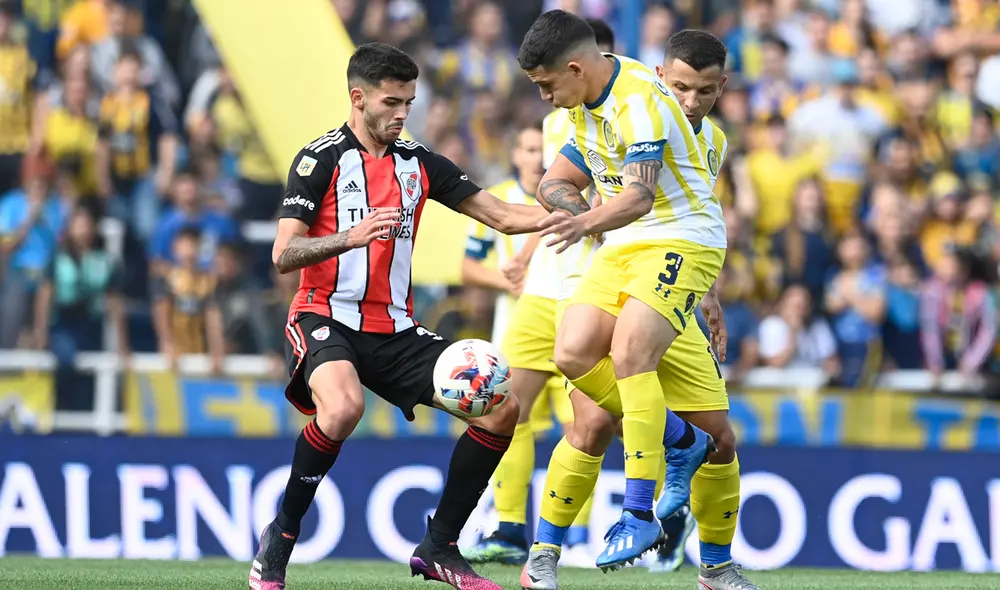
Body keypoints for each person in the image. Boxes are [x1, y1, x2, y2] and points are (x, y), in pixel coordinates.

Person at [249, 42, 551, 590]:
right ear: (358, 98)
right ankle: (282, 534)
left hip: (394, 327)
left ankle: (440, 546)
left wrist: (584, 212)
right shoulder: (319, 160)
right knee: (342, 409)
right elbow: (281, 255)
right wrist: (349, 237)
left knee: (503, 409)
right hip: (325, 314)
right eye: (391, 102)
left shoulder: (419, 163)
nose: (401, 114)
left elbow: (503, 216)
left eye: (409, 102)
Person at [518, 14, 758, 590]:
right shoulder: (585, 104)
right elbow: (554, 182)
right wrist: (582, 212)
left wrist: (708, 294)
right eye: (681, 87)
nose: (690, 102)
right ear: (661, 75)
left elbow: (649, 199)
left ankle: (703, 557)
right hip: (627, 254)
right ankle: (548, 554)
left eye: (703, 90)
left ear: (721, 89)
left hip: (675, 255)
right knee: (577, 367)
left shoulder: (653, 112)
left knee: (716, 435)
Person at [463, 19, 616, 569]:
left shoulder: (630, 112)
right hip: (543, 291)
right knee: (503, 406)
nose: (549, 93)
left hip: (593, 289)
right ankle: (508, 526)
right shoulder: (558, 123)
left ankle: (576, 538)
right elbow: (554, 193)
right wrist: (528, 252)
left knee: (589, 423)